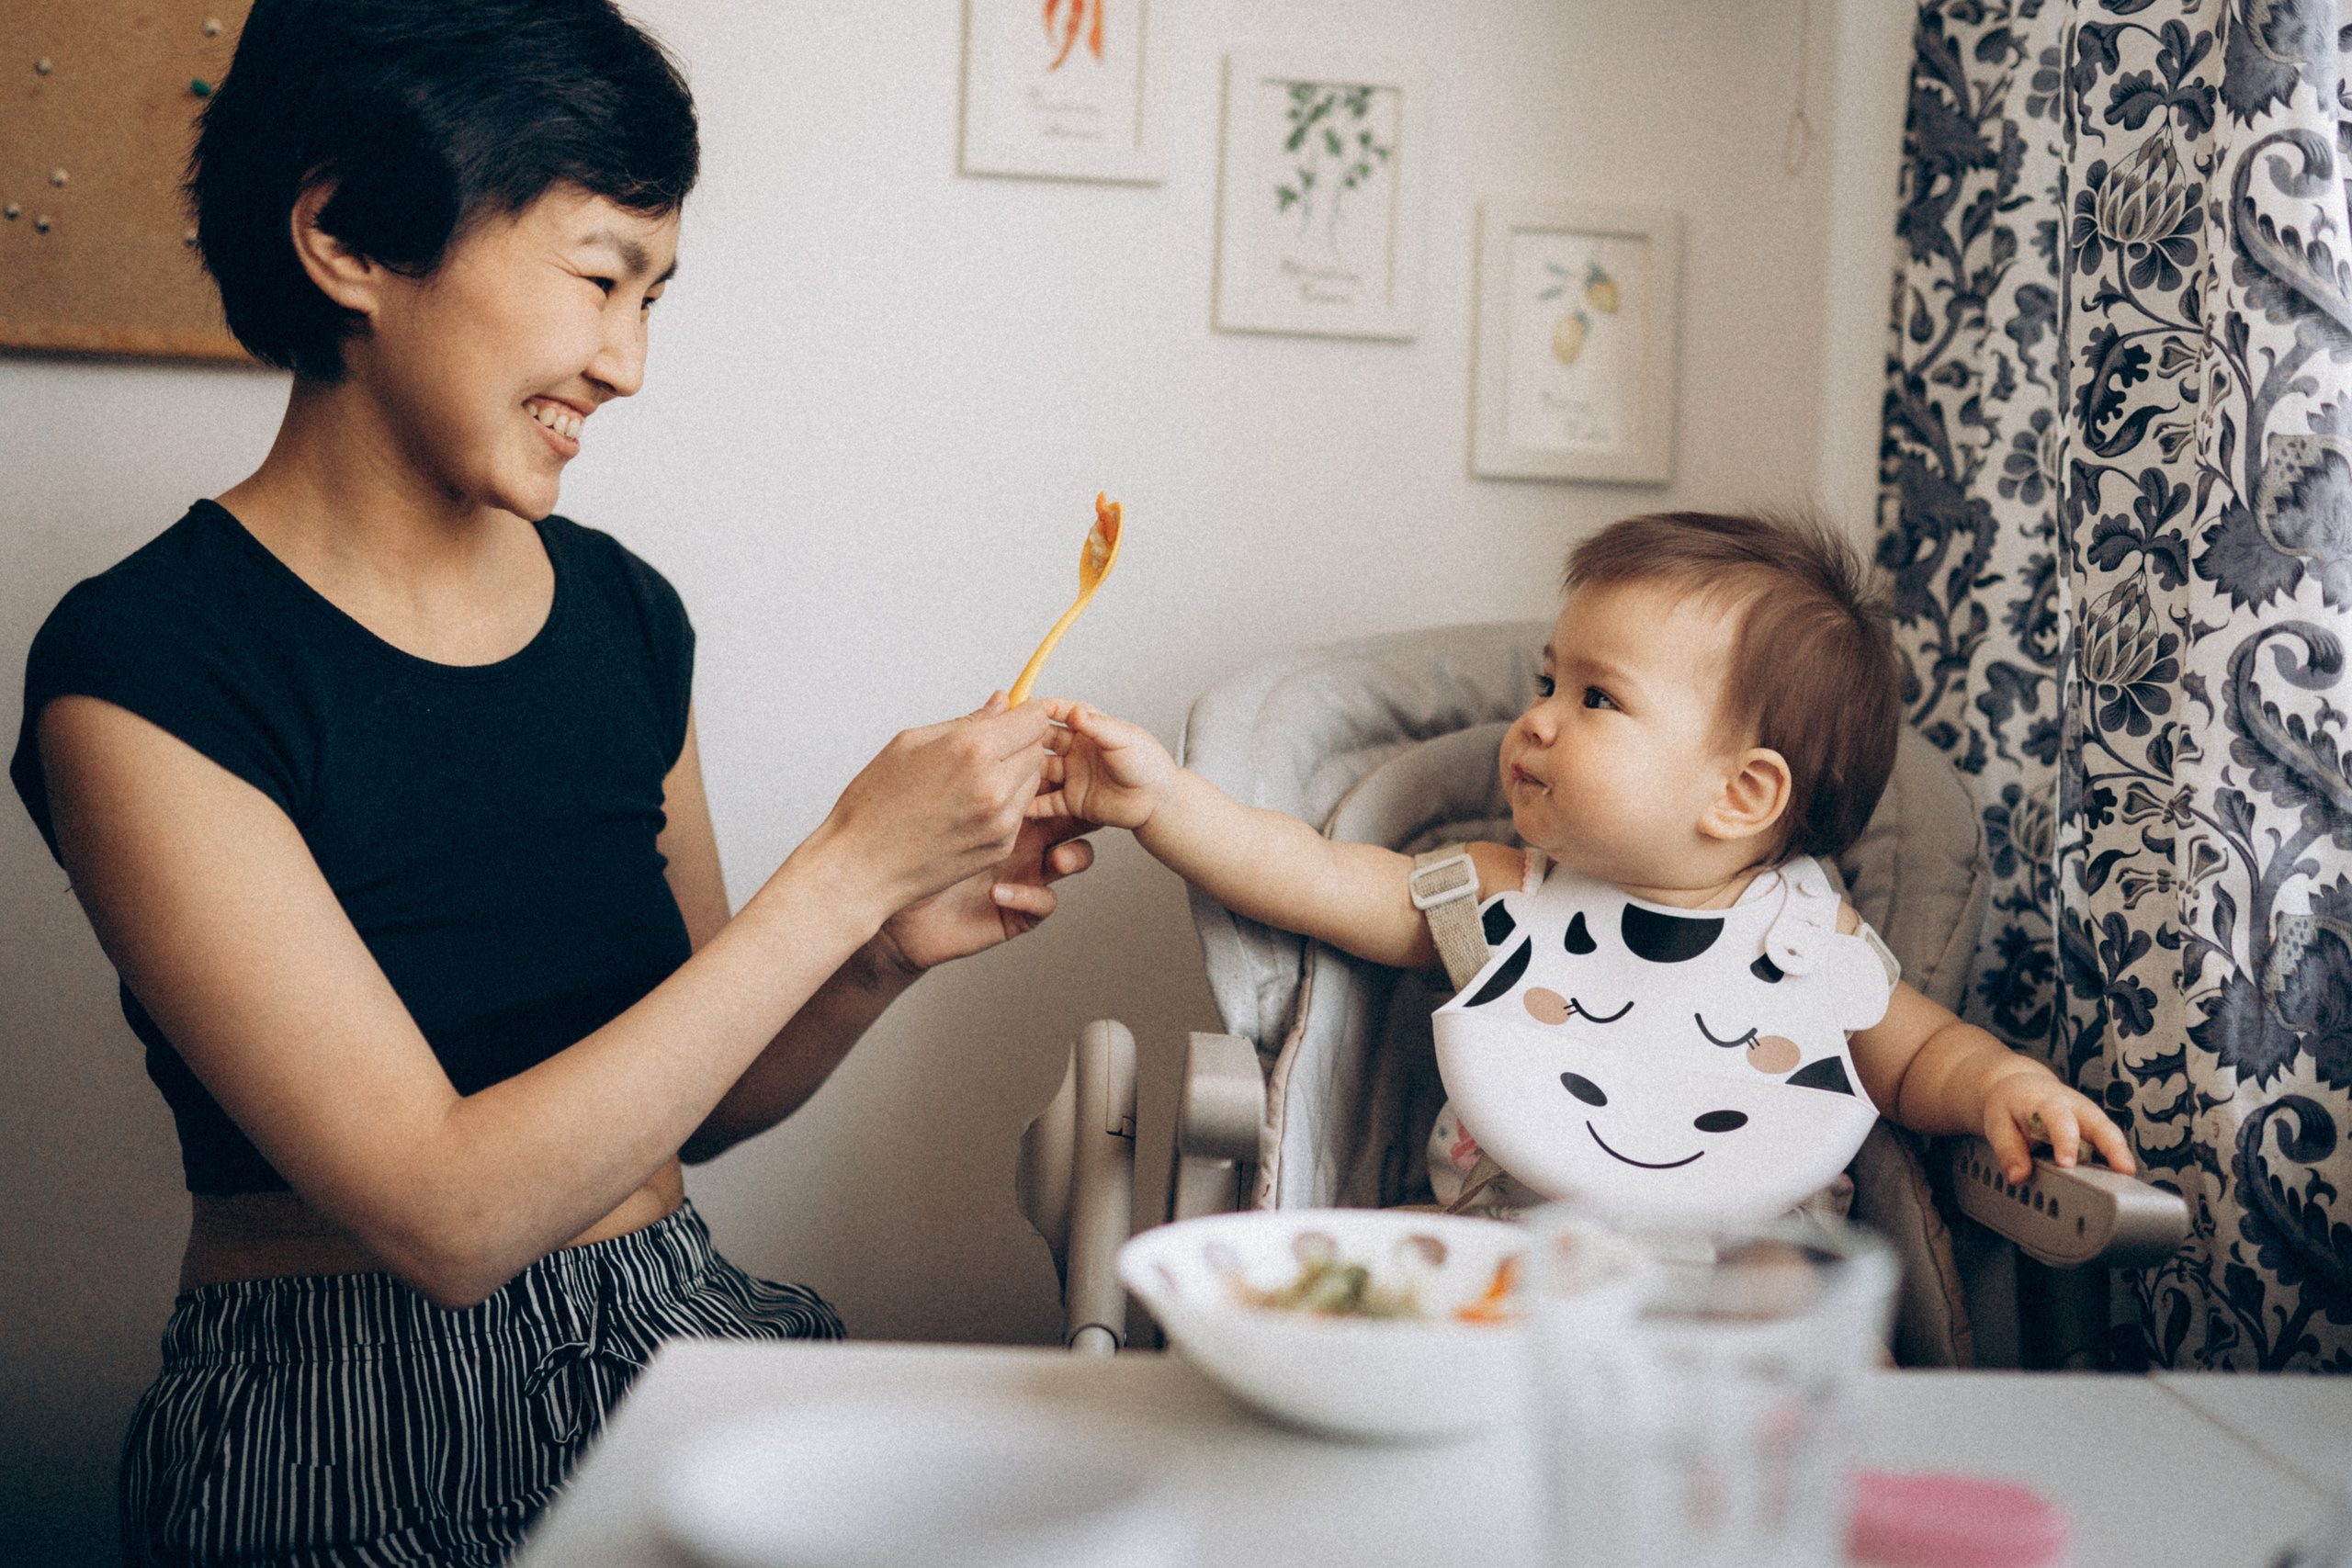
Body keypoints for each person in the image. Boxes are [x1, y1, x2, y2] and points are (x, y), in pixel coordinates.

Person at [7, 3, 1091, 1562]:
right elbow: (446, 1218)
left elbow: (691, 1108)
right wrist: (847, 867)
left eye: (655, 294)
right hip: (343, 1422)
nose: (630, 362)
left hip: (675, 1328)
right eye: (597, 277)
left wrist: (881, 948)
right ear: (345, 235)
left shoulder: (625, 615)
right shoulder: (146, 666)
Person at [1033, 511, 2133, 1224]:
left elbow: (1920, 1058)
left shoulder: (1815, 944)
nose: (1538, 722)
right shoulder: (1506, 894)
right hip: (1514, 1272)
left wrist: (2004, 1086)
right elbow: (1319, 878)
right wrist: (1161, 801)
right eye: (1545, 685)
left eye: (1594, 698)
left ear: (1740, 793)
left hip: (1758, 1299)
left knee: (1850, 1386)